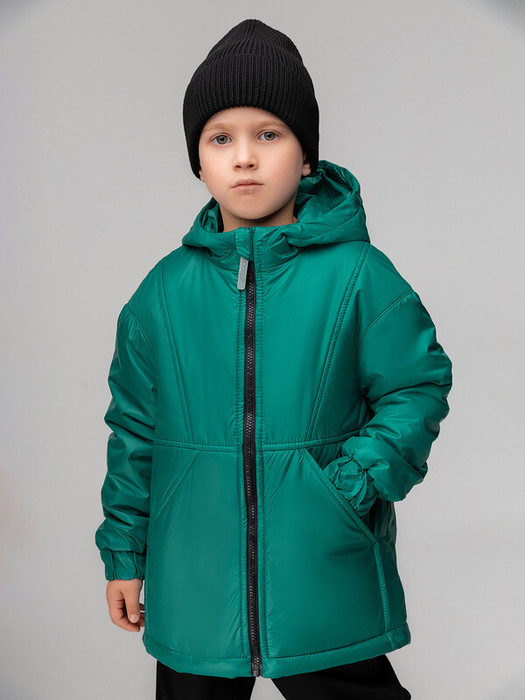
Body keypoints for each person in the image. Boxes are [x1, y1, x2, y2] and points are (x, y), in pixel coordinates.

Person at [95, 18, 453, 699]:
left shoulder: (358, 276)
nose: (244, 158)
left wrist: (350, 484)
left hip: (320, 565)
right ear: (198, 162)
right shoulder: (162, 294)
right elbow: (134, 430)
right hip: (194, 576)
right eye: (220, 138)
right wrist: (124, 553)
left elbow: (416, 386)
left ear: (306, 156)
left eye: (269, 134)